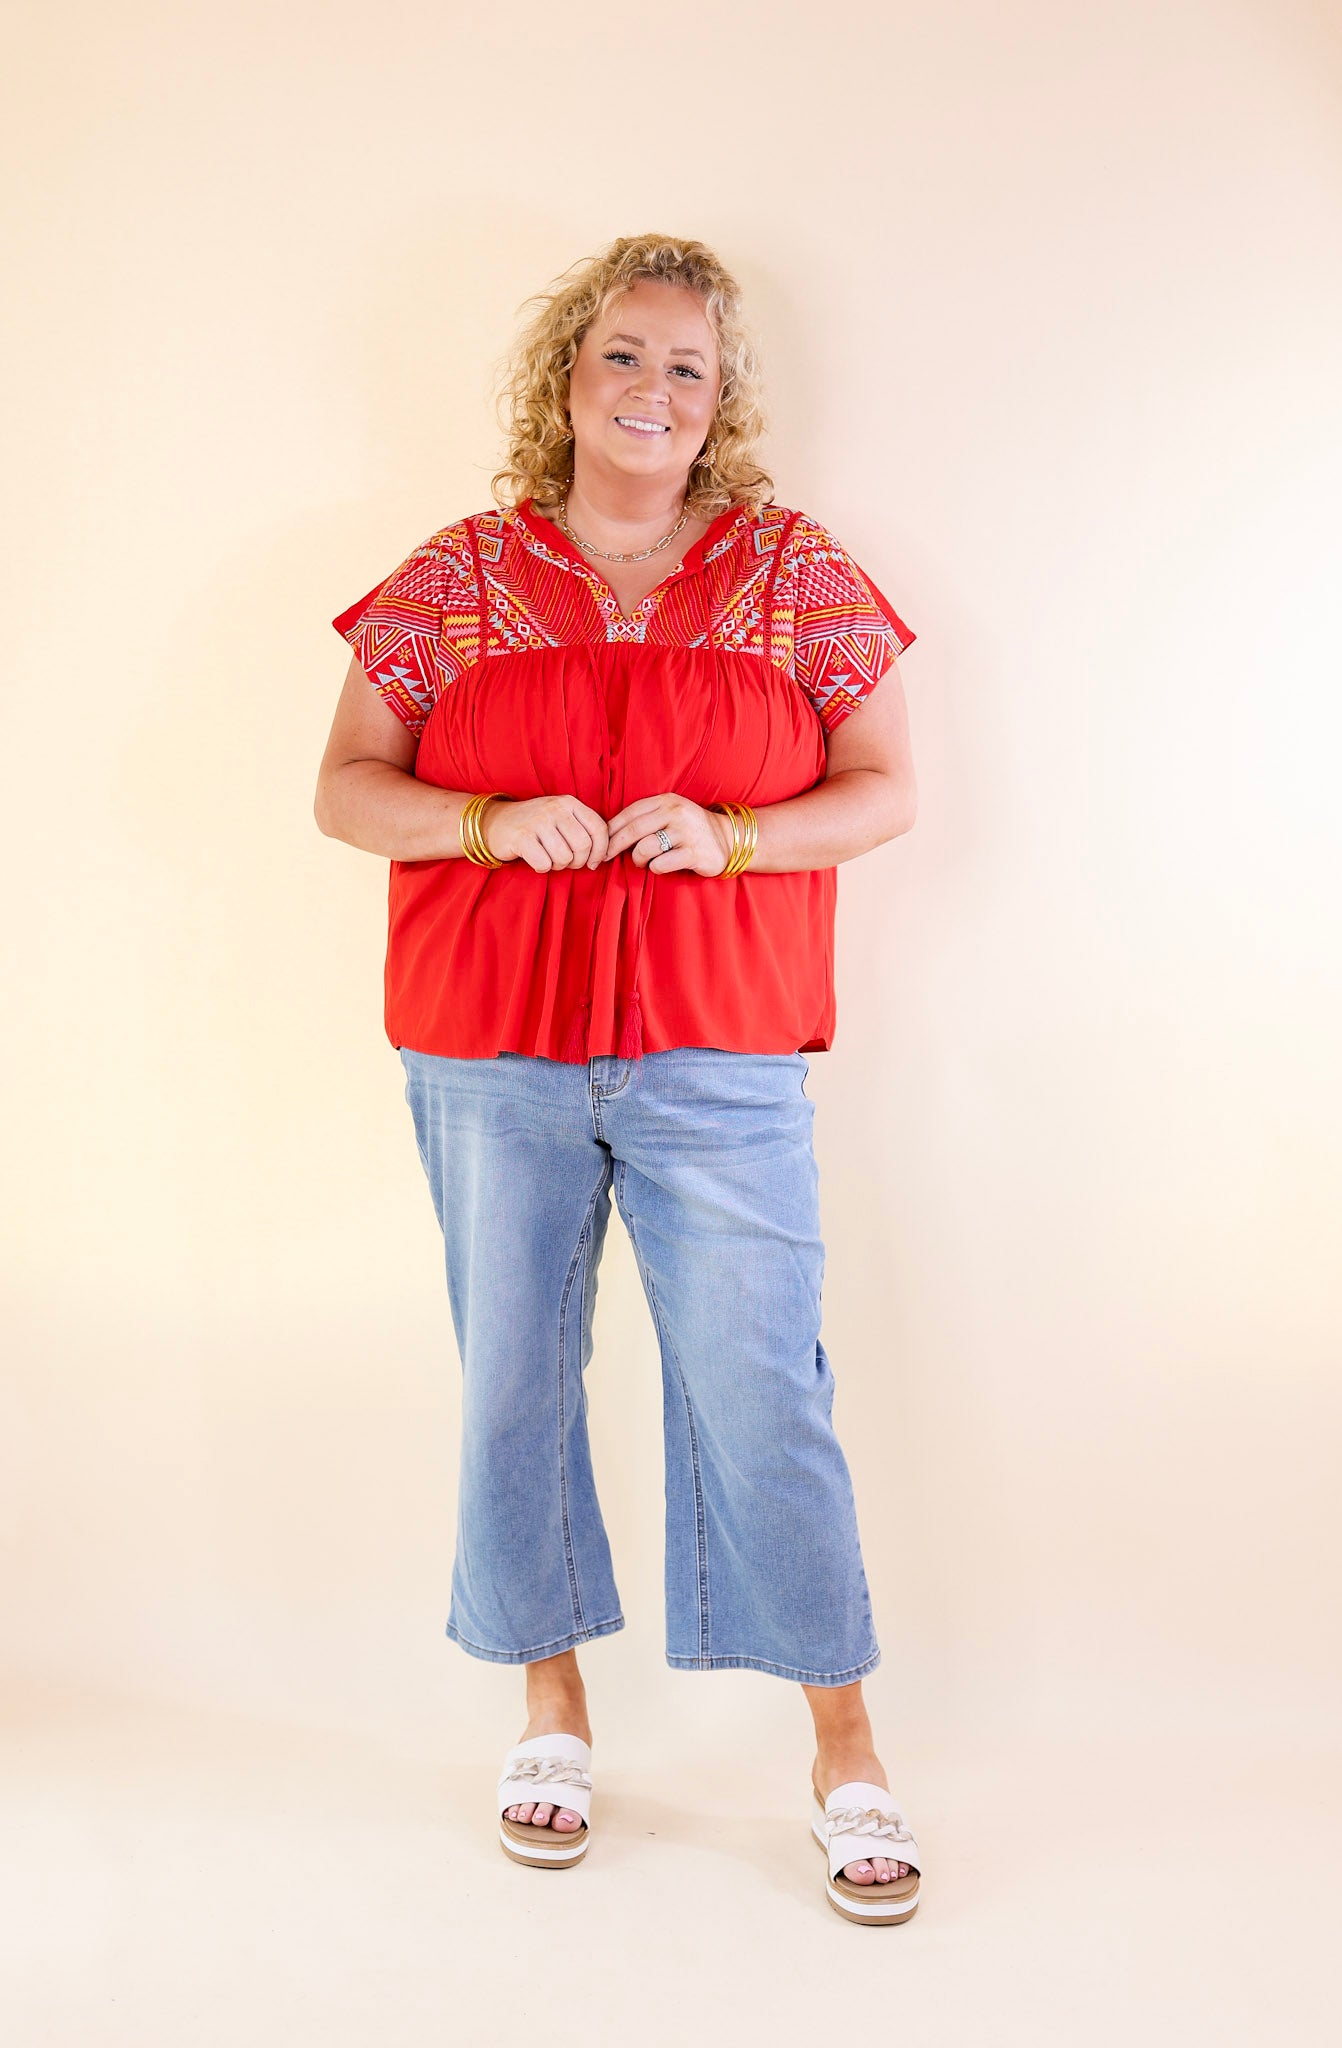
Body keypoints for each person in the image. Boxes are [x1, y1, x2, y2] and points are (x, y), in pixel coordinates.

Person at [314, 234, 922, 1924]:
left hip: (717, 1051)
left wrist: (734, 839)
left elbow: (881, 791)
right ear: (565, 381)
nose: (651, 391)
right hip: (489, 1049)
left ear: (721, 403)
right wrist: (486, 822)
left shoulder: (794, 572)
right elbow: (346, 788)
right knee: (513, 1379)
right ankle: (550, 1712)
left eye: (686, 368)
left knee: (762, 1390)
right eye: (622, 358)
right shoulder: (456, 578)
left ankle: (845, 1744)